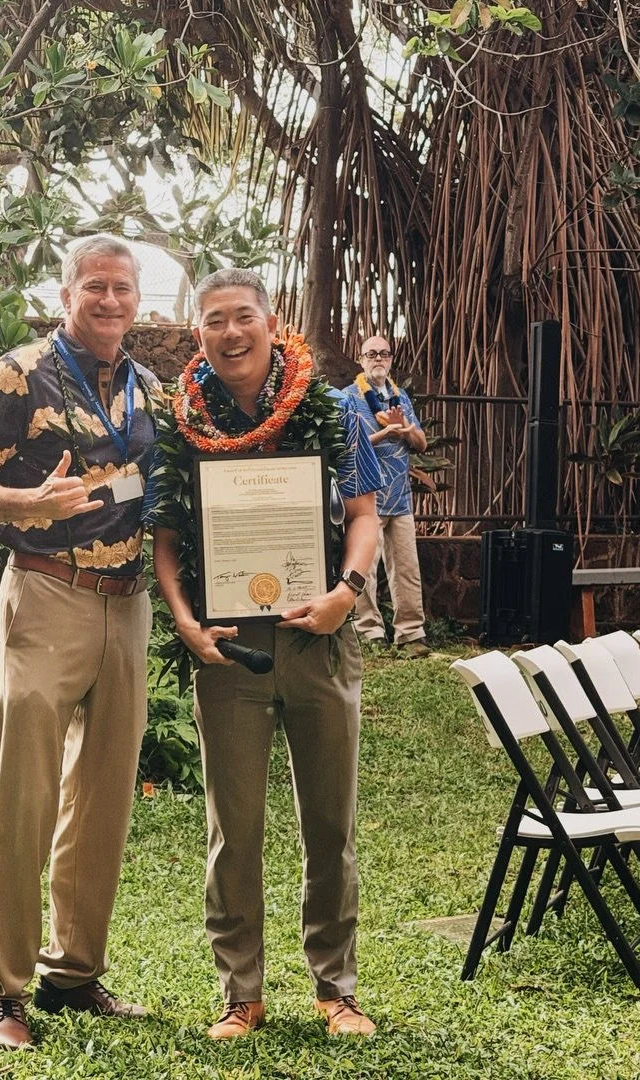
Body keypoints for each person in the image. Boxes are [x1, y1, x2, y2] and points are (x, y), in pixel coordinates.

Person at [145, 268, 383, 1039]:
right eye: (214, 321)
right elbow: (168, 536)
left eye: (242, 316)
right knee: (233, 827)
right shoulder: (181, 420)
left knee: (330, 824)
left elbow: (365, 515)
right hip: (228, 651)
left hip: (319, 637)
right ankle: (239, 993)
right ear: (198, 334)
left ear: (271, 321)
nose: (230, 333)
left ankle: (336, 988)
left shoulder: (334, 410)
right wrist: (183, 620)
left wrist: (346, 592)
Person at [0, 236, 163, 1051]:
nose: (110, 301)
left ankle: (72, 973)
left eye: (122, 289)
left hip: (127, 602)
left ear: (137, 300)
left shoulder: (149, 390)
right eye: (95, 287)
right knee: (29, 796)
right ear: (66, 292)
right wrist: (29, 501)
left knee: (103, 798)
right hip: (46, 594)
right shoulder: (19, 373)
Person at [341, 335, 430, 657]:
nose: (378, 359)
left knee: (407, 567)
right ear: (361, 359)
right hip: (367, 497)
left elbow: (421, 444)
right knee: (365, 567)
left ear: (391, 359)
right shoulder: (349, 398)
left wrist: (406, 429)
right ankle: (369, 633)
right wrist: (385, 433)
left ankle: (411, 634)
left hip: (400, 498)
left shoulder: (400, 397)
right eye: (371, 354)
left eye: (384, 354)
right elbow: (348, 446)